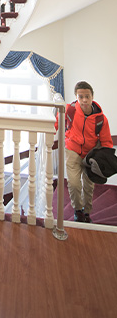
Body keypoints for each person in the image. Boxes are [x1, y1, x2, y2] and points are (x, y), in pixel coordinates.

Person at [60, 80, 113, 223]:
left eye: (87, 96)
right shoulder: (69, 110)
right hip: (72, 150)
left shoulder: (101, 119)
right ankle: (78, 210)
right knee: (74, 184)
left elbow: (107, 141)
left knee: (88, 186)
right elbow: (56, 123)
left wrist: (105, 159)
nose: (84, 100)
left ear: (92, 96)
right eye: (80, 96)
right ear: (76, 97)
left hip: (91, 155)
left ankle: (87, 212)